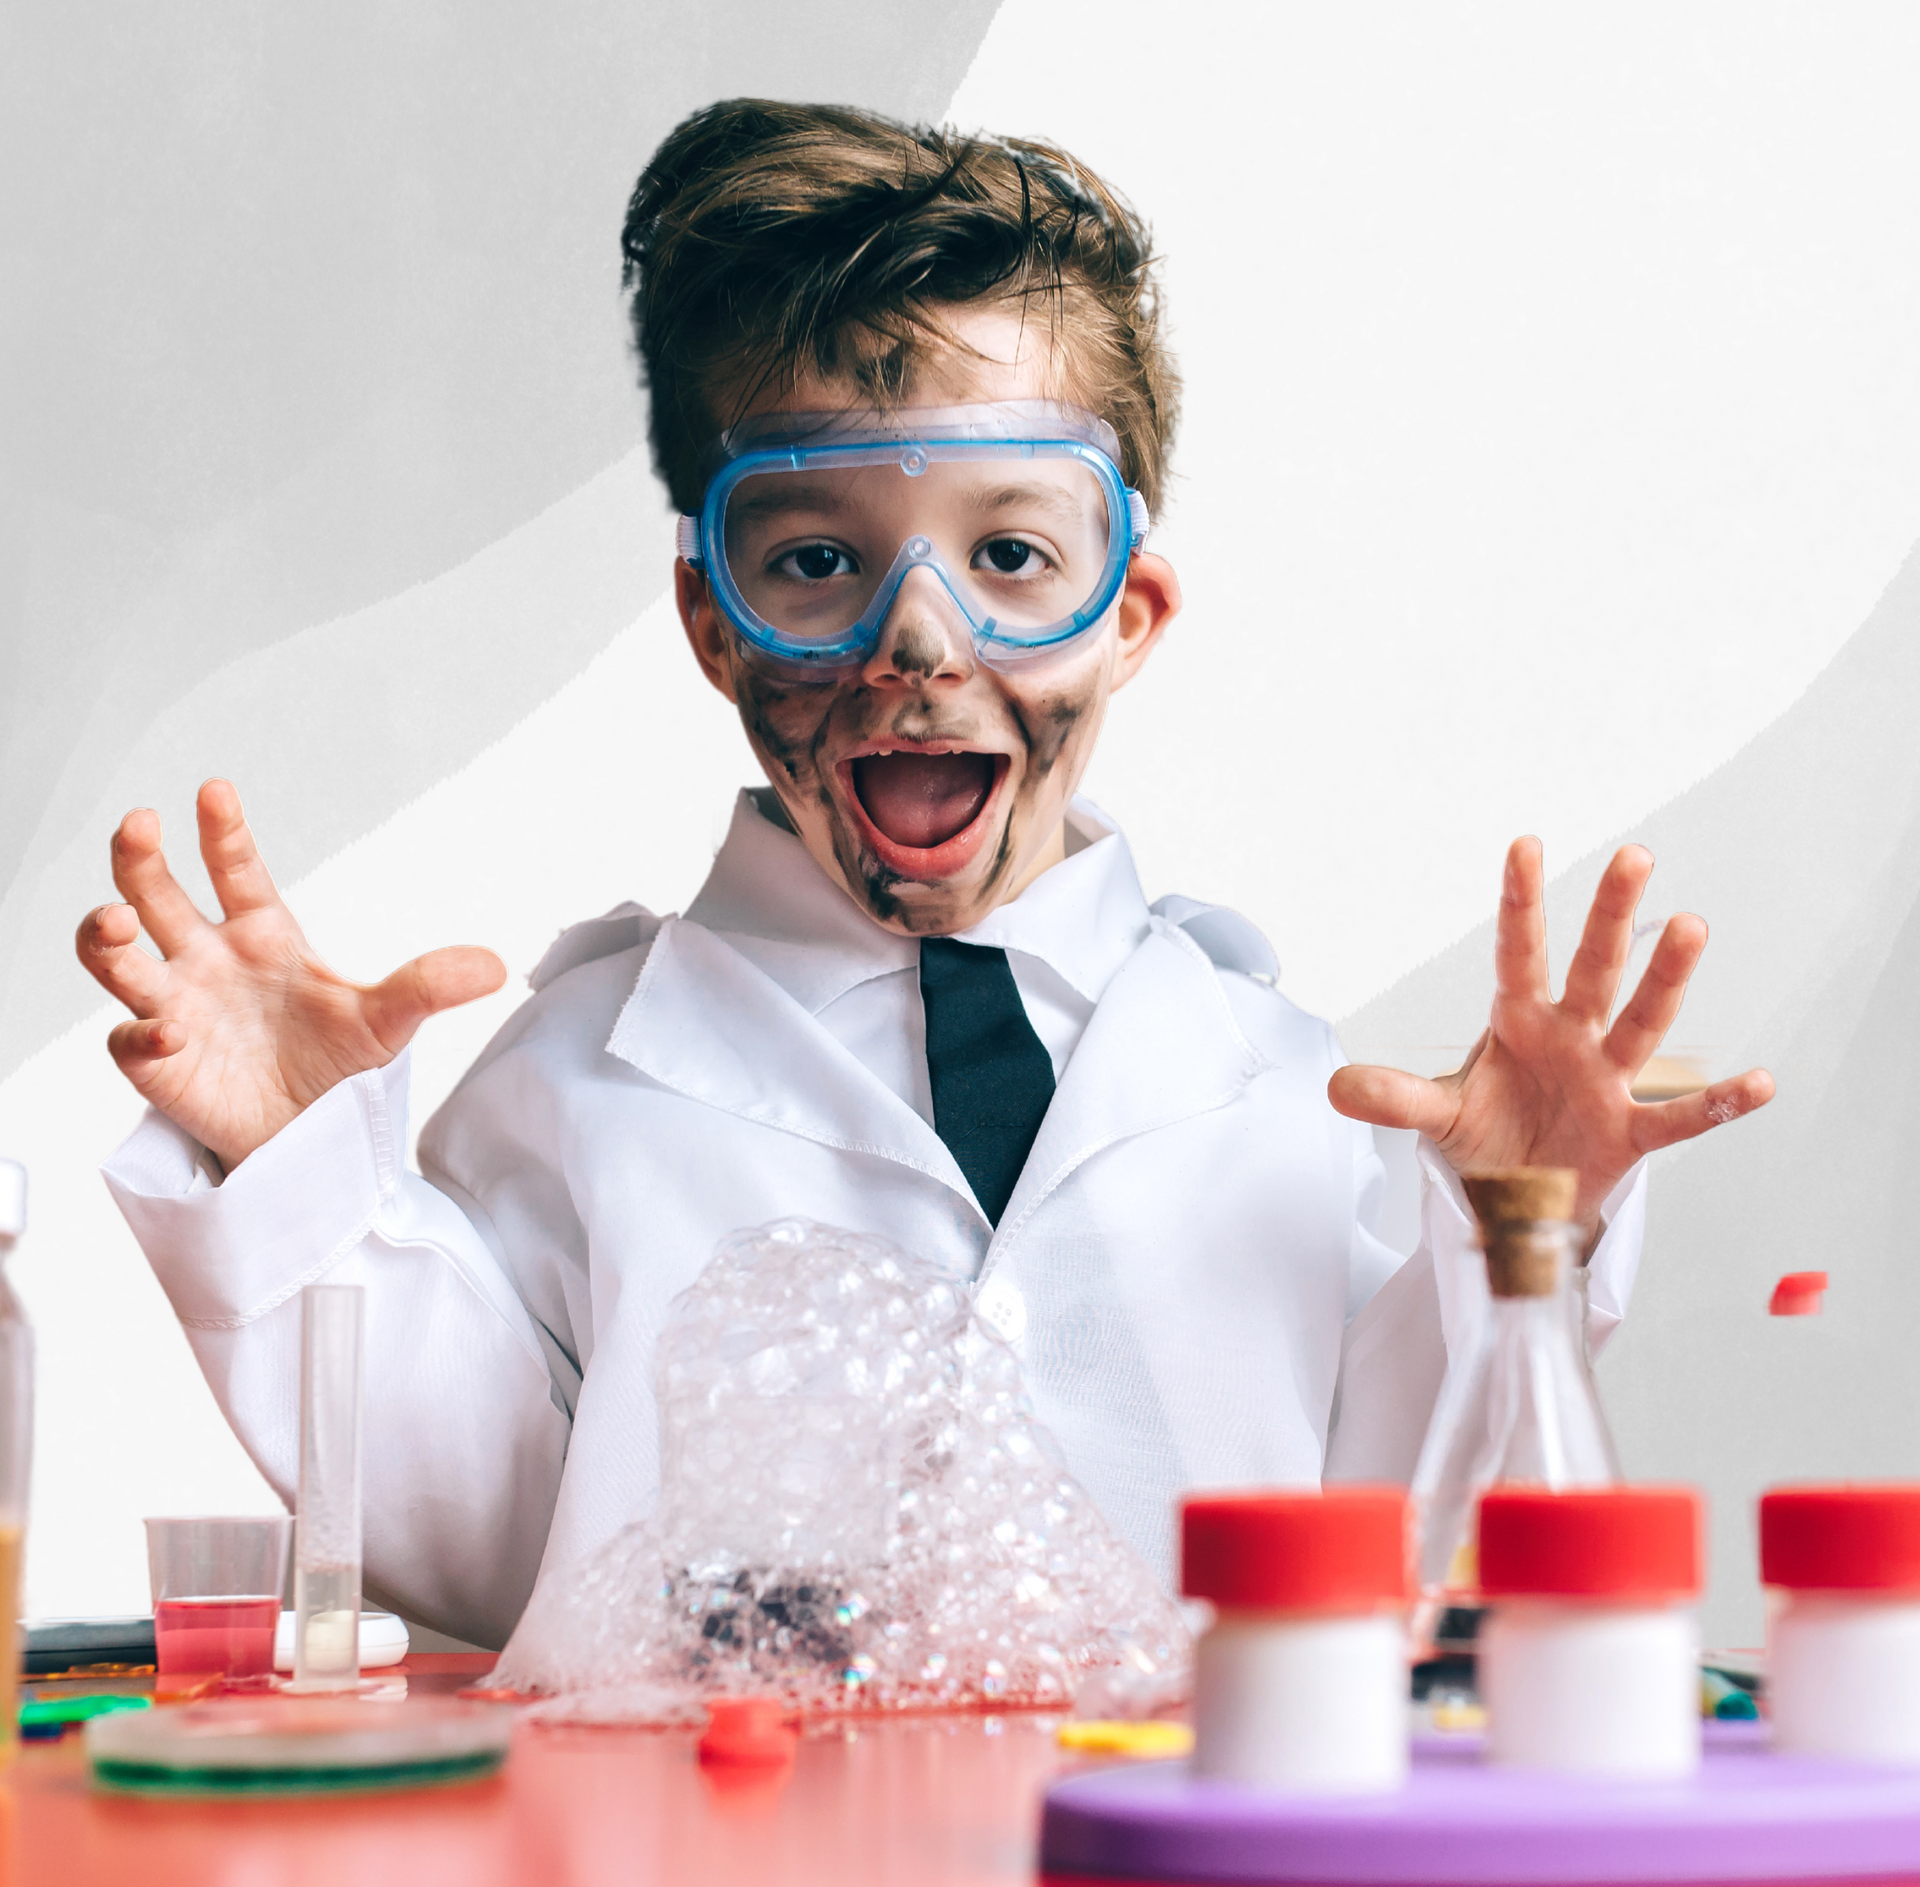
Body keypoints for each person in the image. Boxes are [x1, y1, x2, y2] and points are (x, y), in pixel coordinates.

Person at [78, 101, 1773, 1650]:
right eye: (814, 560)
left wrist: (1515, 1231)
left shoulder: (1278, 1086)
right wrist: (296, 1167)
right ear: (706, 620)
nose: (917, 638)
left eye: (1013, 554)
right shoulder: (580, 1080)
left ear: (1130, 615)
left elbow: (1394, 1534)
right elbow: (479, 1541)